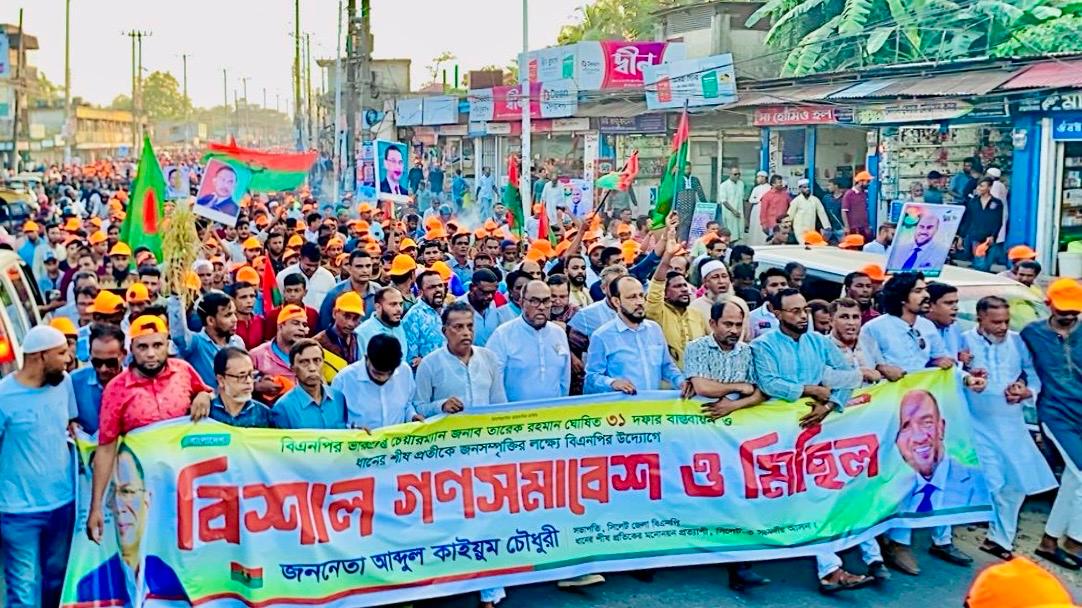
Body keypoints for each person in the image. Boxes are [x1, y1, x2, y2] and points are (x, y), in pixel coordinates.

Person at [750, 289, 876, 593]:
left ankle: (831, 568)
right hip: (773, 435)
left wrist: (829, 403)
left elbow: (850, 375)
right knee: (772, 497)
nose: (802, 316)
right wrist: (810, 389)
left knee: (813, 495)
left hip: (814, 431)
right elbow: (770, 384)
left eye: (804, 309)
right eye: (793, 311)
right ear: (776, 314)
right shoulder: (763, 345)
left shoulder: (819, 342)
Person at [858, 272, 978, 574]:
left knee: (937, 470)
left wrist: (965, 376)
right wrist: (881, 368)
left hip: (927, 412)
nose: (925, 296)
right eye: (919, 291)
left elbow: (940, 364)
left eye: (925, 290)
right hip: (891, 417)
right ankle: (895, 542)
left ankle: (938, 538)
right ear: (902, 297)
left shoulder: (926, 327)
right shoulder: (876, 329)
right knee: (899, 477)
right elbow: (864, 369)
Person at [88, 316, 213, 546]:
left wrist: (204, 395)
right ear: (130, 350)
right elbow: (106, 448)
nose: (151, 354)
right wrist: (96, 506)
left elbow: (205, 390)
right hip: (144, 494)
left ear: (167, 344)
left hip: (187, 486)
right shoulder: (116, 389)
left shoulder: (184, 371)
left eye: (157, 345)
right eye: (143, 347)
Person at [962, 296, 1057, 560]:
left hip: (1011, 424)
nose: (1003, 327)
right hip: (975, 423)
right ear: (980, 318)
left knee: (1015, 484)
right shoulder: (964, 341)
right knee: (991, 480)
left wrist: (1026, 391)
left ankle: (999, 540)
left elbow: (1034, 375)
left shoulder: (1017, 341)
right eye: (996, 322)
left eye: (1006, 321)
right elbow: (950, 375)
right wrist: (964, 372)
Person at [0, 325, 77, 608]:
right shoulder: (3, 396)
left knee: (57, 582)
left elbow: (70, 427)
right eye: (61, 353)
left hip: (63, 505)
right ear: (40, 356)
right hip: (17, 512)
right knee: (24, 590)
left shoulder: (64, 383)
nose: (68, 358)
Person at [76, 444, 187, 605]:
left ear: (147, 498)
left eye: (127, 492)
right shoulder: (90, 585)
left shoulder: (171, 576)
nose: (119, 505)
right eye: (111, 492)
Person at [1022, 279, 1082, 570]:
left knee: (1073, 478)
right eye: (1063, 310)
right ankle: (1075, 541)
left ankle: (1049, 541)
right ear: (1048, 305)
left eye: (1074, 311)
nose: (1069, 316)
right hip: (1055, 414)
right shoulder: (1031, 334)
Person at [894, 389, 990, 514]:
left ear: (941, 428)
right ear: (896, 440)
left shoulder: (981, 482)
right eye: (905, 427)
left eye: (927, 423)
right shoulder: (894, 496)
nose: (919, 438)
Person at [585, 276, 684, 395]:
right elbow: (591, 378)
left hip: (653, 403)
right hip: (622, 405)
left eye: (641, 295)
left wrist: (681, 382)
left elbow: (666, 367)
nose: (640, 302)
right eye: (632, 297)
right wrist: (612, 383)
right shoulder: (602, 336)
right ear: (616, 302)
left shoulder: (654, 329)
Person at [414, 301, 507, 416]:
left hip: (485, 426)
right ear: (445, 331)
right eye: (459, 327)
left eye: (470, 326)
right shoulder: (429, 364)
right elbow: (419, 407)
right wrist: (441, 406)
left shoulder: (488, 358)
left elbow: (499, 403)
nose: (466, 333)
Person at [487, 280, 571, 402]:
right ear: (521, 303)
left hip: (553, 411)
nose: (541, 307)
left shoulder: (558, 333)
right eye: (534, 301)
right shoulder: (503, 335)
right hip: (515, 412)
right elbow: (494, 383)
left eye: (546, 301)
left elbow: (564, 379)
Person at [332, 334, 421, 429]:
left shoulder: (404, 371)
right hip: (360, 438)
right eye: (377, 373)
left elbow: (407, 405)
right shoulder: (343, 380)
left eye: (389, 374)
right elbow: (335, 422)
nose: (383, 378)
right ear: (367, 358)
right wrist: (353, 429)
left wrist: (412, 416)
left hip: (397, 437)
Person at [646, 233, 707, 369]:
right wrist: (667, 256)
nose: (684, 289)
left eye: (685, 285)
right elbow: (656, 286)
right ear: (665, 294)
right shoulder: (658, 313)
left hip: (697, 377)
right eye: (677, 286)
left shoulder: (697, 315)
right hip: (667, 380)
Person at [168, 290, 245, 389]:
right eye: (228, 315)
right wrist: (176, 297)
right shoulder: (195, 343)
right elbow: (178, 335)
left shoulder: (238, 342)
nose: (235, 319)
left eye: (234, 314)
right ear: (210, 320)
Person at [273, 338, 348, 429]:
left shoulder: (339, 398)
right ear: (292, 368)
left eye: (317, 360)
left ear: (323, 363)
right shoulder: (283, 407)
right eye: (304, 362)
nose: (312, 368)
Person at [71, 323, 127, 434]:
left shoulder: (136, 382)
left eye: (110, 363)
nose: (103, 369)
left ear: (123, 355)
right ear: (90, 354)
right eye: (97, 362)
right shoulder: (74, 381)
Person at [209, 347, 274, 428]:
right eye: (241, 376)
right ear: (221, 380)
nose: (249, 381)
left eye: (251, 374)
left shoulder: (264, 415)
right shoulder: (206, 411)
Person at [251, 304, 310, 392]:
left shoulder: (311, 355)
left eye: (304, 325)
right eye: (296, 323)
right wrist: (256, 385)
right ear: (280, 326)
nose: (301, 328)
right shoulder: (257, 355)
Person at [313, 292, 364, 382]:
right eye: (346, 316)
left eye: (356, 318)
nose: (350, 323)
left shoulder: (360, 339)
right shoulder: (317, 343)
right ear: (334, 313)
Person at [829, 298, 882, 384]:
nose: (851, 322)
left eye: (855, 317)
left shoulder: (869, 342)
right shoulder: (821, 346)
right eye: (844, 317)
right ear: (831, 321)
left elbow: (881, 371)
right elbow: (823, 379)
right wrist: (860, 374)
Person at [402, 269, 447, 367]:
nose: (438, 289)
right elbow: (411, 360)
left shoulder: (450, 311)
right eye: (431, 287)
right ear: (420, 292)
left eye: (440, 285)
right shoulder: (413, 317)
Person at [959, 177, 1005, 272]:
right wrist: (961, 236)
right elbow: (968, 220)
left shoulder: (996, 203)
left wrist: (993, 235)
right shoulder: (973, 202)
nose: (978, 188)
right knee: (980, 263)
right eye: (978, 186)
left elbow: (998, 221)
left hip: (989, 238)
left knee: (987, 264)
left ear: (989, 187)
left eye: (982, 186)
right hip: (975, 236)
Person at [277, 243, 337, 310]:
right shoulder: (283, 275)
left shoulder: (328, 277)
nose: (312, 269)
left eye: (316, 265)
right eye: (309, 265)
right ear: (300, 259)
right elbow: (278, 303)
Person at [263, 272, 320, 340]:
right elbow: (268, 341)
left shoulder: (312, 314)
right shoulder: (273, 315)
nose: (292, 294)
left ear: (305, 292)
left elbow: (315, 340)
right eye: (289, 290)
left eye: (296, 290)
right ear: (284, 292)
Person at [355, 287, 406, 355]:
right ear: (378, 307)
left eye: (401, 304)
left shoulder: (401, 326)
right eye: (393, 304)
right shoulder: (362, 333)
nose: (399, 309)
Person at [462, 269, 504, 347]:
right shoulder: (457, 309)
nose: (490, 296)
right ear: (472, 288)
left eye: (493, 292)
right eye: (485, 292)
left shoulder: (492, 304)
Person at [747, 267, 789, 340]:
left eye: (783, 284)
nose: (780, 288)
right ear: (764, 292)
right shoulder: (752, 317)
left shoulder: (799, 313)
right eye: (774, 285)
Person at [787, 178, 829, 245]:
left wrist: (827, 227)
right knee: (804, 244)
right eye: (805, 187)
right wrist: (787, 227)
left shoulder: (815, 200)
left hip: (811, 229)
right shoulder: (796, 201)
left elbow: (822, 213)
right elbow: (790, 215)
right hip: (799, 230)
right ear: (800, 189)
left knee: (811, 245)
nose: (807, 189)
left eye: (808, 187)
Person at [758, 175, 791, 241]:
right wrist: (764, 225)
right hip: (772, 225)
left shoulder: (785, 194)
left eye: (781, 182)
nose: (781, 184)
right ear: (773, 184)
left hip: (784, 225)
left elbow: (792, 205)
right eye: (779, 182)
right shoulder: (767, 196)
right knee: (774, 243)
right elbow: (763, 212)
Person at [842, 171, 872, 240]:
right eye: (867, 181)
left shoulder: (864, 193)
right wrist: (847, 227)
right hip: (853, 228)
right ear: (860, 182)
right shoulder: (849, 194)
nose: (869, 184)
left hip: (864, 227)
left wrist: (867, 226)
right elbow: (844, 211)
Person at [717, 167, 745, 239]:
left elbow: (742, 199)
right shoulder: (724, 185)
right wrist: (733, 211)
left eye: (739, 174)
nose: (737, 176)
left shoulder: (741, 184)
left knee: (739, 234)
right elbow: (723, 201)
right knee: (730, 234)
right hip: (729, 213)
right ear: (730, 174)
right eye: (735, 174)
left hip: (739, 212)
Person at [747, 171, 771, 245]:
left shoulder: (769, 188)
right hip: (755, 210)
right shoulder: (756, 188)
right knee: (755, 228)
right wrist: (758, 199)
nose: (757, 179)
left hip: (766, 211)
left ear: (764, 178)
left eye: (759, 177)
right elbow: (751, 200)